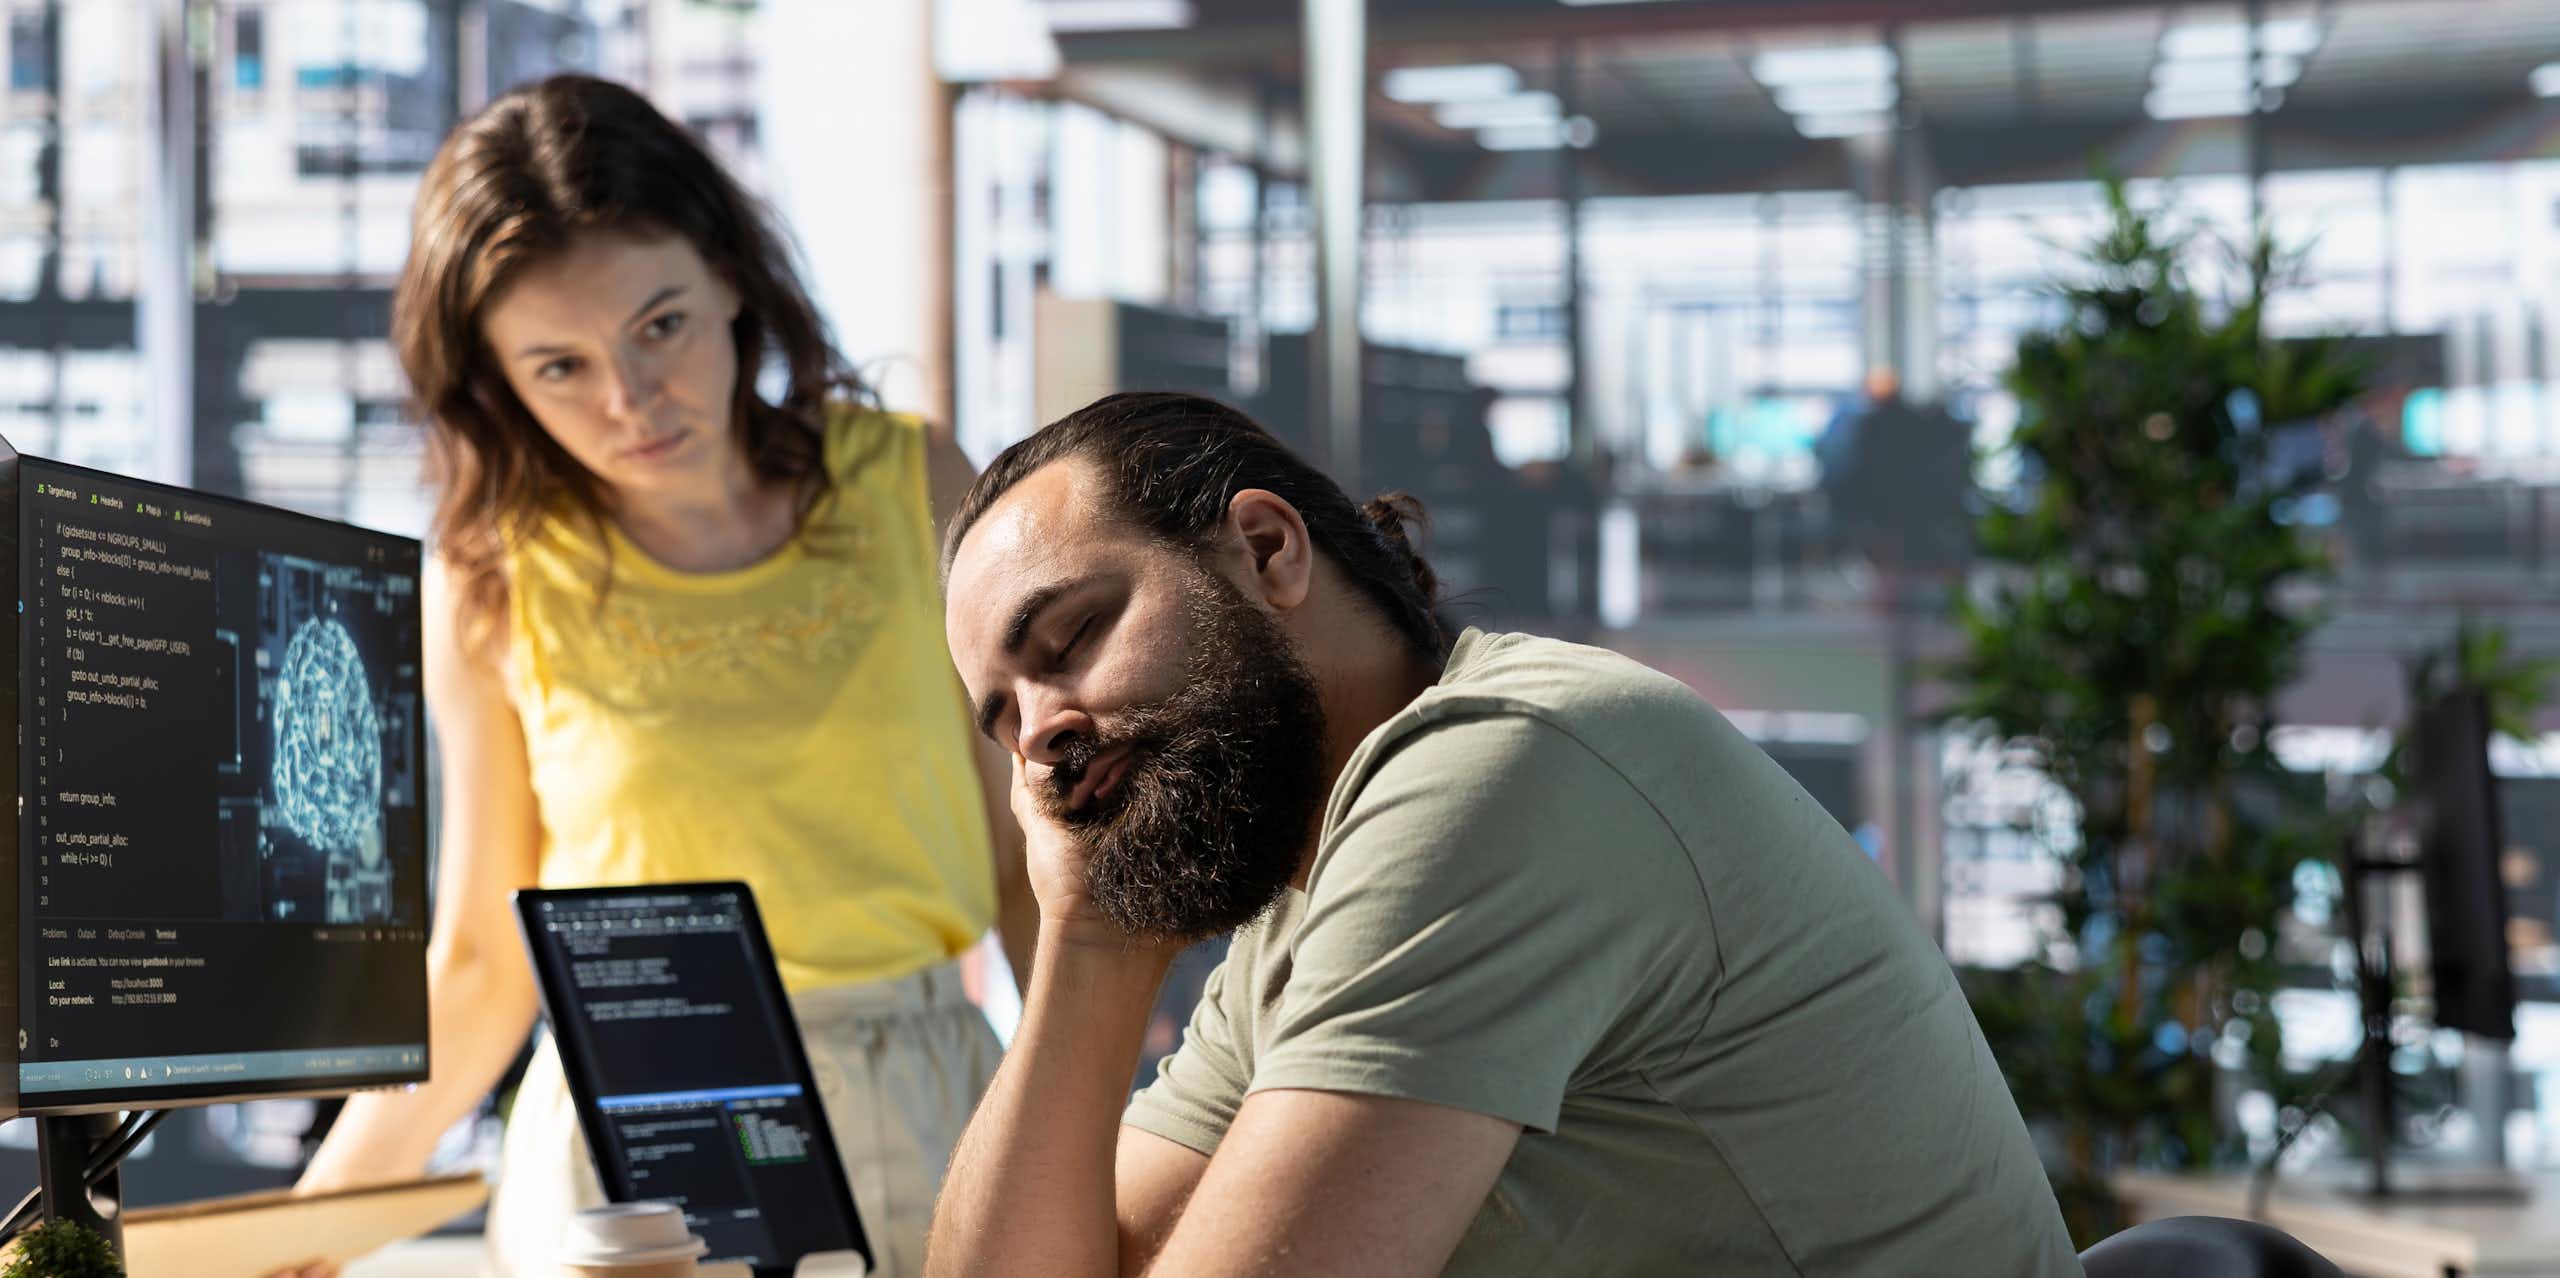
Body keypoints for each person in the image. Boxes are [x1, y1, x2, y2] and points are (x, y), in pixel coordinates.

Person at [926, 392, 2078, 1277]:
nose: (1042, 740)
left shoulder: (1499, 769)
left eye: (1070, 638)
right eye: (1004, 717)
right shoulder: (1304, 894)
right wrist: (1088, 937)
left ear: (1269, 550)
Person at [282, 75, 1035, 1278]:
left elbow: (1029, 868)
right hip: (630, 1167)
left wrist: (1118, 1129)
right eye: (559, 367)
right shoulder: (490, 577)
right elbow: (481, 962)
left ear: (731, 280)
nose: (630, 399)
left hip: (937, 1113)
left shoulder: (921, 485)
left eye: (660, 326)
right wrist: (304, 1232)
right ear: (495, 383)